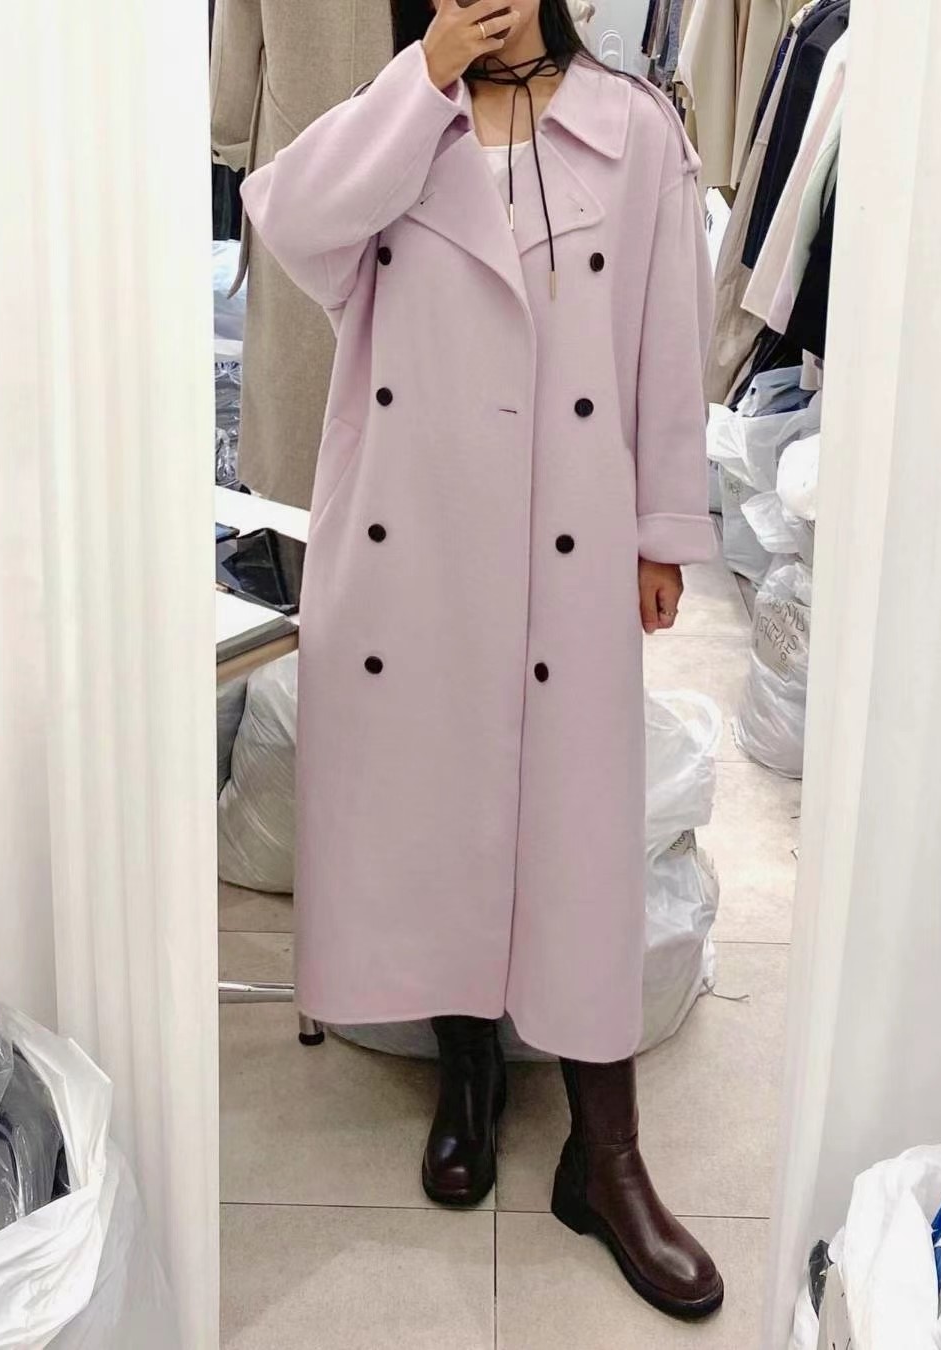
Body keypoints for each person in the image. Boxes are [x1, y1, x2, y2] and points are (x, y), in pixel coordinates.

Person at [241, 0, 723, 1319]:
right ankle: (470, 1072)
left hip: (566, 533)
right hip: (417, 535)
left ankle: (607, 1155)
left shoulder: (633, 130)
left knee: (576, 825)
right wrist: (425, 77)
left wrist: (662, 530)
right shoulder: (402, 119)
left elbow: (666, 346)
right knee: (442, 803)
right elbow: (291, 222)